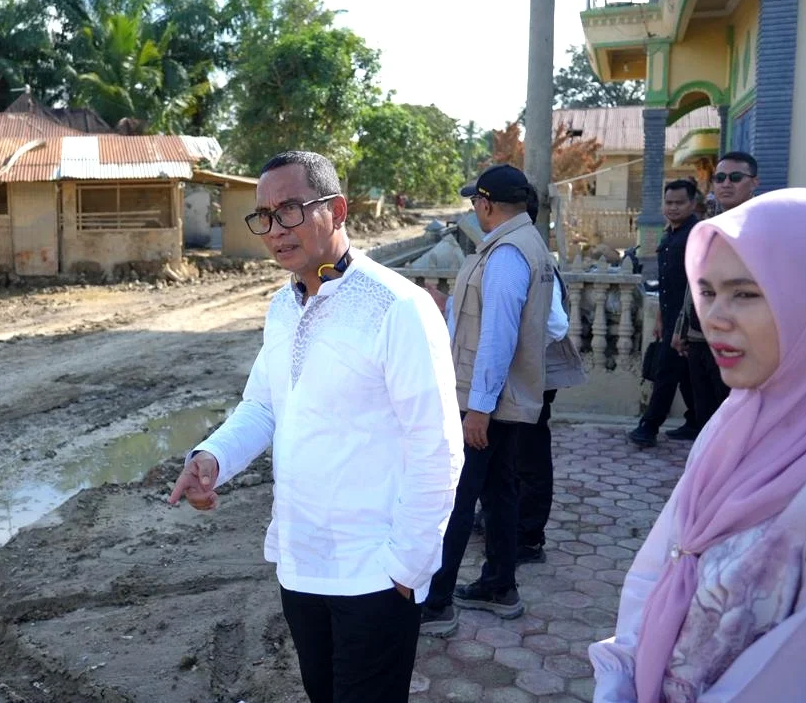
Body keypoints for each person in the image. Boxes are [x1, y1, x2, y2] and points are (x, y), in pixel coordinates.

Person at [169, 150, 462, 703]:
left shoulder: (398, 307)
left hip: (374, 575)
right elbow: (263, 406)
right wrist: (212, 457)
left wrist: (407, 567)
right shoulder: (283, 306)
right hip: (299, 566)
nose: (276, 229)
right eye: (264, 216)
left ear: (338, 210)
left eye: (291, 209)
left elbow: (439, 447)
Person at [589, 187, 806, 702]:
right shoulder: (737, 418)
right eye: (708, 292)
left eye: (746, 293)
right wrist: (622, 673)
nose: (713, 317)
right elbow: (661, 563)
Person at [417, 164, 554, 636]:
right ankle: (499, 585)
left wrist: (479, 409)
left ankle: (436, 603)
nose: (475, 208)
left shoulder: (508, 254)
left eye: (476, 200)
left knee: (457, 499)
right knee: (499, 491)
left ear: (487, 203)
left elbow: (498, 336)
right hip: (500, 397)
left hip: (485, 401)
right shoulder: (521, 244)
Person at [516, 191, 588, 564]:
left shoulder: (529, 256)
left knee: (530, 457)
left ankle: (529, 537)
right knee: (516, 455)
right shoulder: (526, 250)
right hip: (528, 375)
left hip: (532, 377)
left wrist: (521, 356)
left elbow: (556, 325)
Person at [669, 152, 760, 439]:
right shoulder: (708, 227)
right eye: (720, 178)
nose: (726, 184)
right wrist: (682, 327)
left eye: (735, 177)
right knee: (706, 418)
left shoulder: (760, 227)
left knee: (736, 418)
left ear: (754, 182)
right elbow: (695, 283)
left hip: (739, 338)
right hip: (700, 336)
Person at [629, 180, 699, 448]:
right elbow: (666, 283)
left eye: (679, 203)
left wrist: (685, 324)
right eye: (669, 203)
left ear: (692, 204)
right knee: (685, 373)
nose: (673, 208)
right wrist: (660, 317)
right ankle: (694, 421)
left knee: (666, 372)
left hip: (688, 319)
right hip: (670, 316)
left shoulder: (696, 235)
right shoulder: (669, 235)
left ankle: (649, 426)